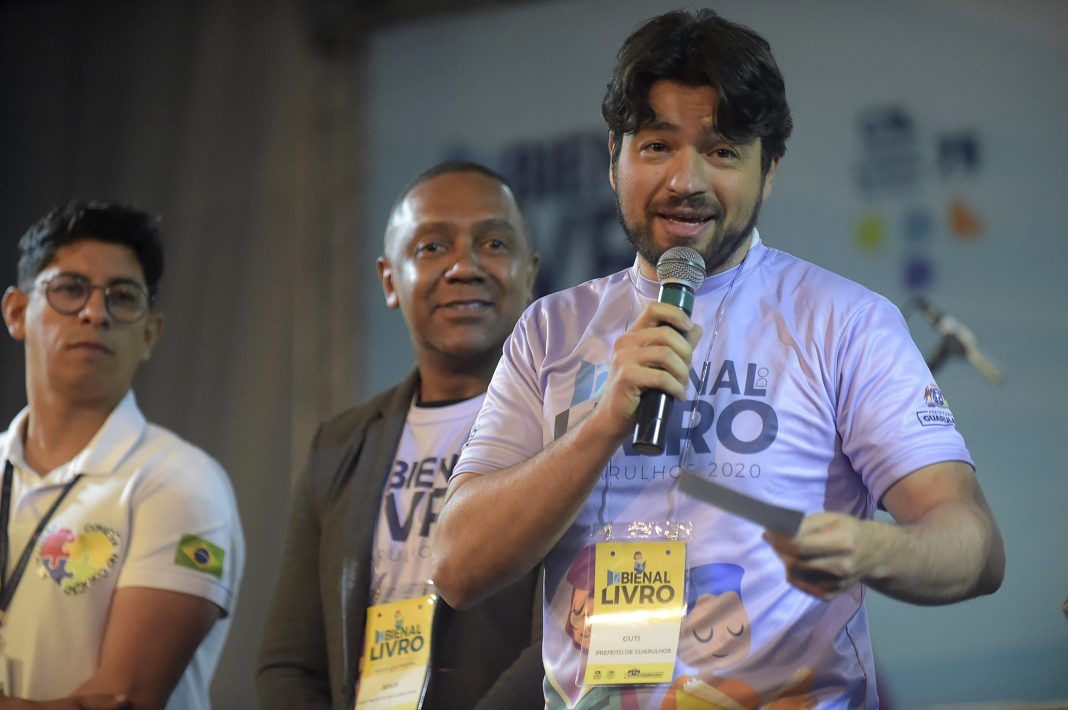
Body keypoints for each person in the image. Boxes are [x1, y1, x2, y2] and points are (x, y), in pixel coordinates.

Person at [431, 9, 1004, 708]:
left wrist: (873, 551)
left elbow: (975, 546)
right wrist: (602, 424)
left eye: (723, 151)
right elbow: (456, 568)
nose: (685, 180)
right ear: (614, 156)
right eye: (656, 146)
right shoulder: (550, 331)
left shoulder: (846, 323)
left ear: (770, 170)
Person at [255, 161, 544, 709]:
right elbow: (289, 664)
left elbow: (564, 637)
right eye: (433, 247)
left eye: (493, 243)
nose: (465, 266)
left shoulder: (571, 431)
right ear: (390, 280)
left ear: (529, 273)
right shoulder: (340, 446)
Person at [0, 202, 244, 708]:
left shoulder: (181, 483)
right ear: (17, 312)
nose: (96, 313)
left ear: (150, 333)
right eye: (70, 289)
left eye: (123, 297)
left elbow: (121, 702)